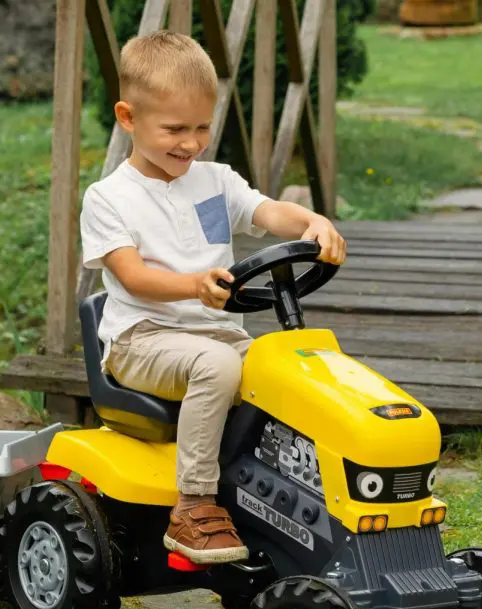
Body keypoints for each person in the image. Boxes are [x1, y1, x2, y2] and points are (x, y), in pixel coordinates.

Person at [80, 30, 346, 565]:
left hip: (215, 335)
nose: (191, 142)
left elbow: (269, 213)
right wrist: (194, 285)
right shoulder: (109, 198)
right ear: (128, 118)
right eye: (175, 128)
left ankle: (318, 496)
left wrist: (313, 221)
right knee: (218, 366)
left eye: (202, 127)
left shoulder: (215, 181)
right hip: (143, 341)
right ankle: (194, 503)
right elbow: (132, 277)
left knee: (295, 372)